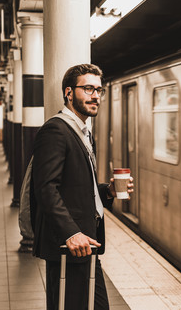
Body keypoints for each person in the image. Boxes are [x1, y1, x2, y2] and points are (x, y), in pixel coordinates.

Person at [31, 64, 133, 310]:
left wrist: (107, 191)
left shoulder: (83, 131)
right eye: (88, 89)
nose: (95, 96)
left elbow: (75, 186)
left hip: (86, 243)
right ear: (68, 92)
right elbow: (46, 188)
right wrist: (70, 233)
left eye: (99, 90)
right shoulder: (56, 130)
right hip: (70, 245)